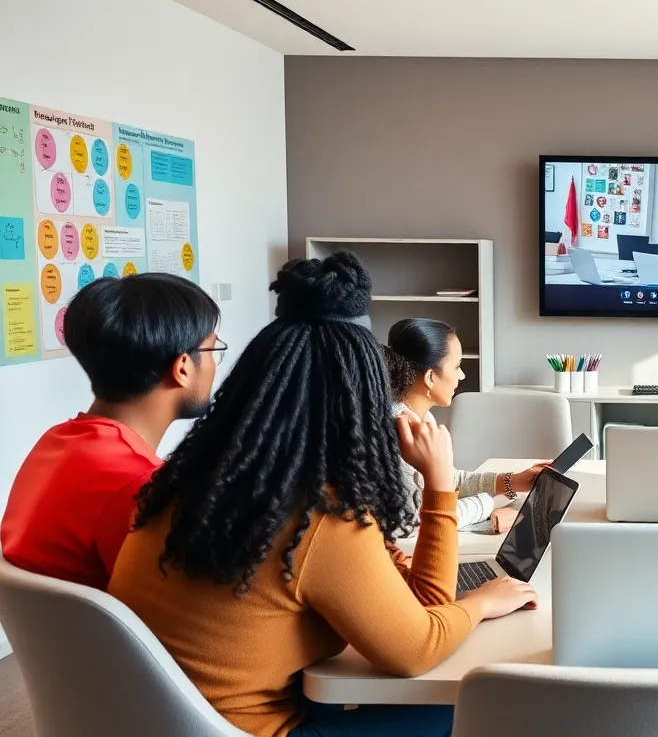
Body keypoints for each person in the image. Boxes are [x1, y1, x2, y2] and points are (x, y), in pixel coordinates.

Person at [109, 253, 537, 737]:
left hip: (169, 721)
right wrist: (479, 596)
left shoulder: (201, 480)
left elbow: (400, 599)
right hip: (253, 730)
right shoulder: (321, 515)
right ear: (362, 397)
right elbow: (418, 651)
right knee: (472, 699)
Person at [1, 274, 220, 589]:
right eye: (213, 351)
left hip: (60, 637)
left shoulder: (55, 442)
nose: (215, 367)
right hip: (110, 637)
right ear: (183, 367)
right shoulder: (141, 489)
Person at [383, 317, 547, 533]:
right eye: (457, 366)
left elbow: (449, 480)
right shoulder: (397, 431)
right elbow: (411, 522)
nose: (462, 375)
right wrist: (489, 505)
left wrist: (511, 481)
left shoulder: (421, 417)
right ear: (431, 377)